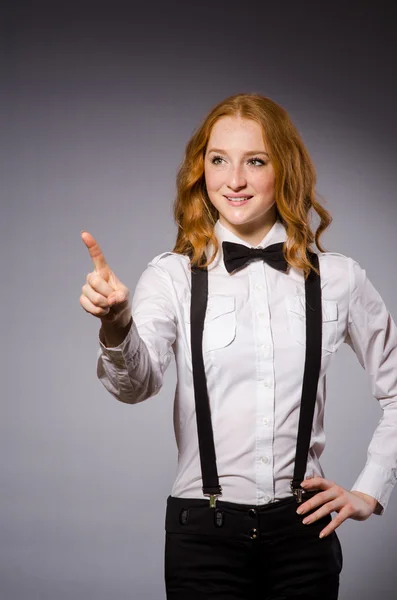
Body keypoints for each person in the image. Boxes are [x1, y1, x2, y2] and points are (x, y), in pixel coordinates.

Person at [79, 93, 397, 600]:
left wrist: (369, 491)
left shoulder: (339, 278)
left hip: (305, 534)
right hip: (203, 537)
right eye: (218, 160)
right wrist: (117, 324)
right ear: (200, 169)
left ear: (284, 168)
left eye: (255, 161)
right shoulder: (173, 275)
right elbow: (136, 386)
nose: (234, 181)